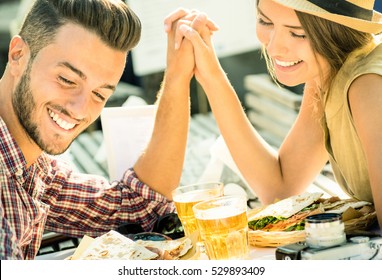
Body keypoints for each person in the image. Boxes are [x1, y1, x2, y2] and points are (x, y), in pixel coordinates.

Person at [0, 0, 214, 260]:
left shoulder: (30, 167)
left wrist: (178, 74)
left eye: (99, 94)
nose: (80, 109)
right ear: (18, 55)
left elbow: (140, 206)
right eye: (67, 80)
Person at [164, 0, 382, 229]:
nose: (275, 47)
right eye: (265, 21)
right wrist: (210, 74)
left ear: (338, 33)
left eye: (298, 34)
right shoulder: (327, 71)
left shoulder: (368, 86)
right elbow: (280, 187)